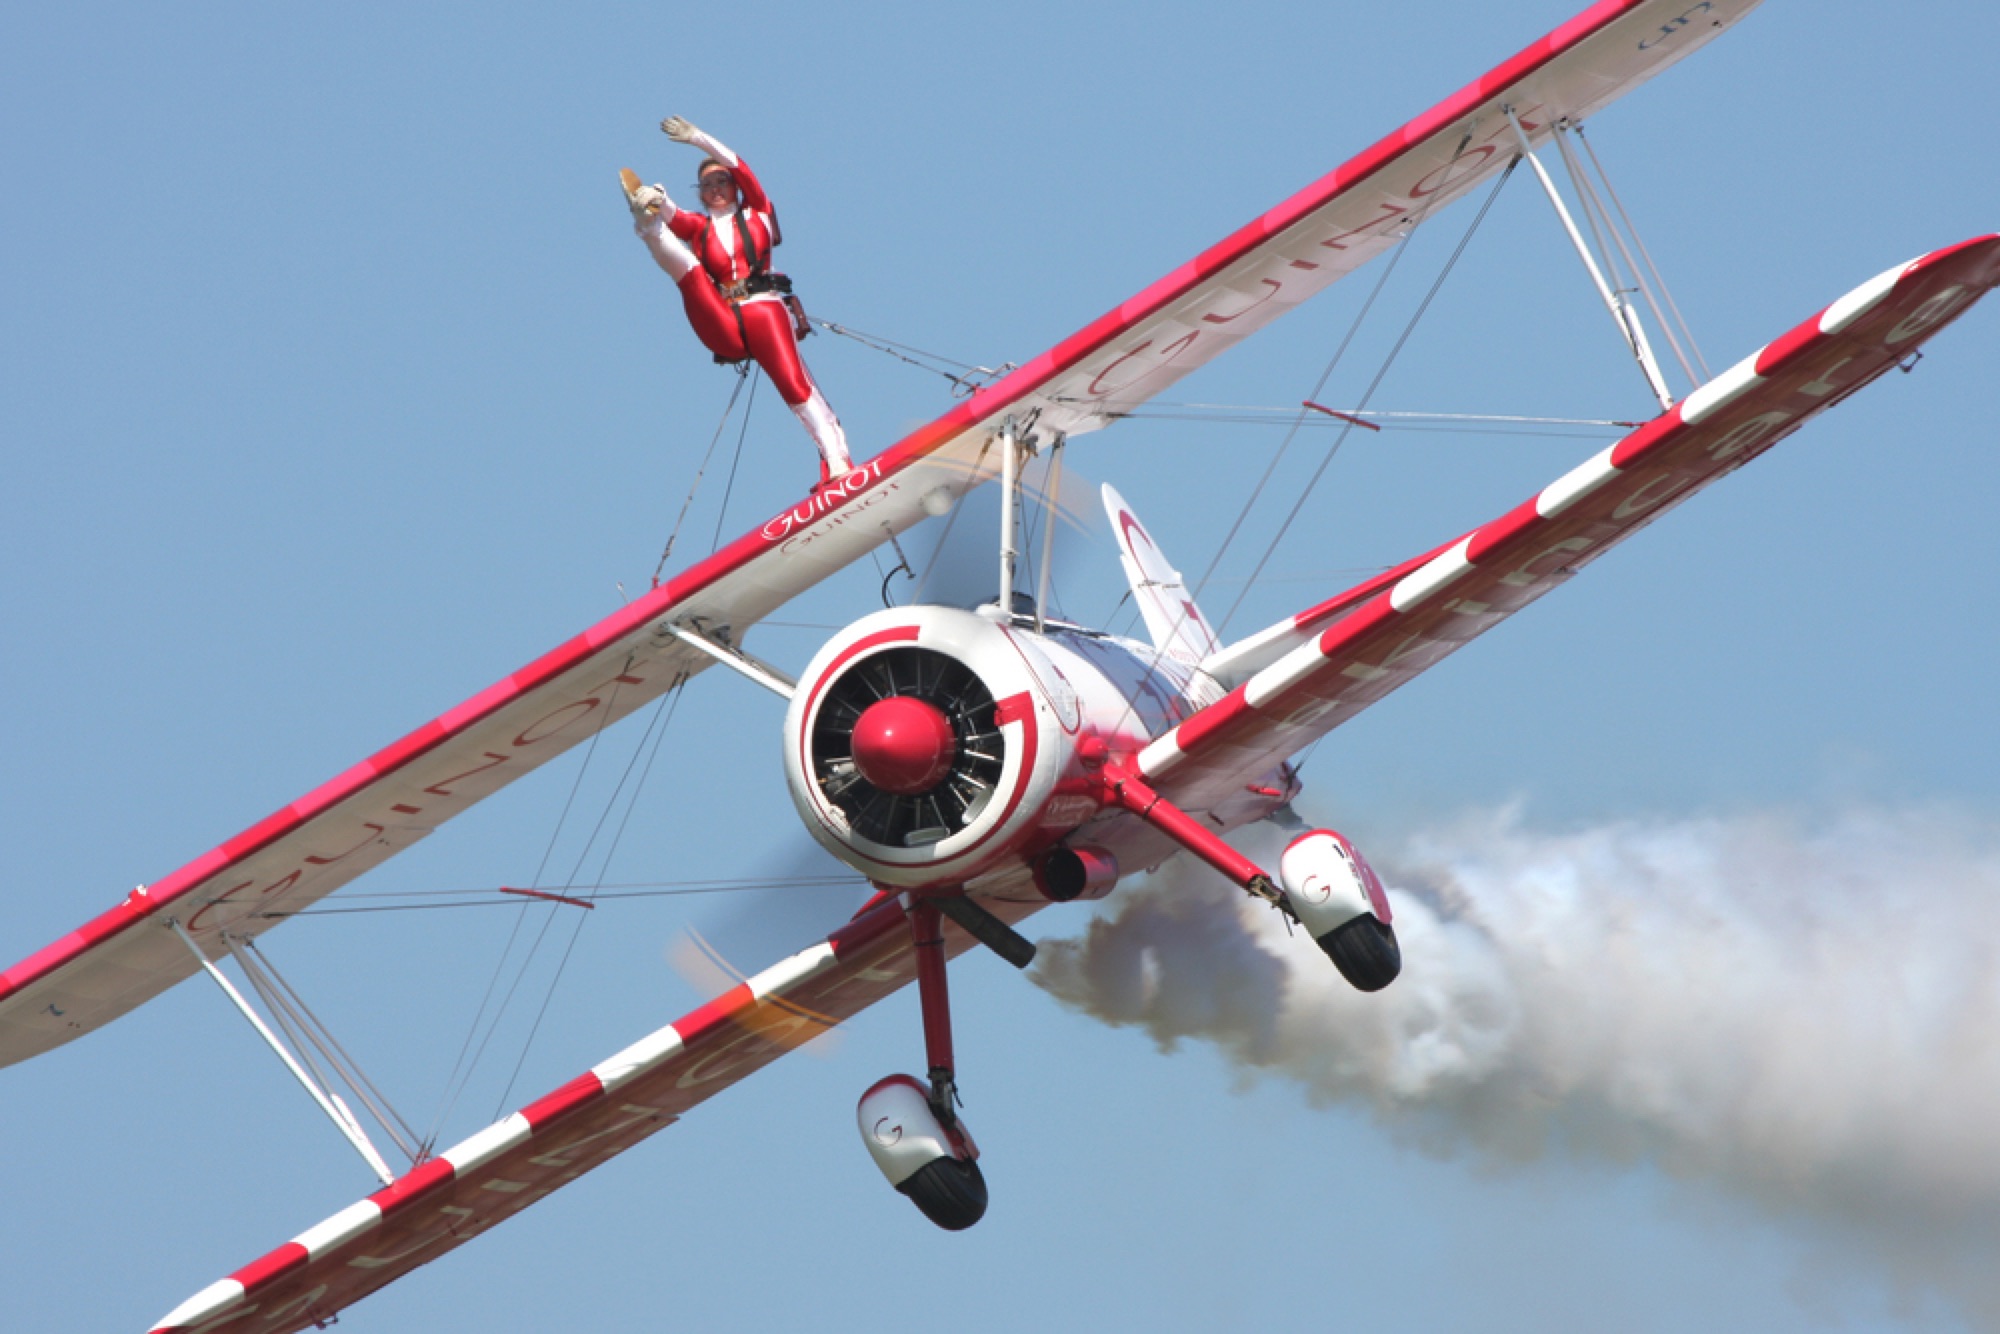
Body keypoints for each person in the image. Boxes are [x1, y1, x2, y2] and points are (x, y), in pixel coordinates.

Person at [626, 116, 851, 487]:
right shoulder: (700, 227)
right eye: (707, 185)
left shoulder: (757, 210)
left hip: (764, 311)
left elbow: (739, 164)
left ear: (734, 186)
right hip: (725, 321)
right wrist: (655, 203)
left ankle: (837, 460)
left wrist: (699, 139)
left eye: (721, 181)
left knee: (795, 386)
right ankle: (643, 223)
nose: (715, 188)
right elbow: (676, 216)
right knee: (687, 268)